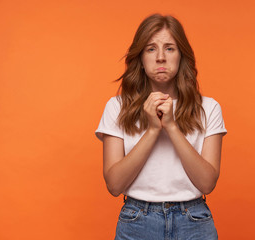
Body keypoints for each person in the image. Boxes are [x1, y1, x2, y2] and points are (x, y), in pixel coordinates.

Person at [95, 13, 227, 240]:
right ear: (141, 58)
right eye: (150, 49)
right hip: (136, 221)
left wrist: (172, 127)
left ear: (181, 56)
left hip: (194, 222)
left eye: (169, 48)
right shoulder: (117, 107)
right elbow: (114, 185)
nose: (160, 58)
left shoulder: (209, 107)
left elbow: (207, 183)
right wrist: (153, 130)